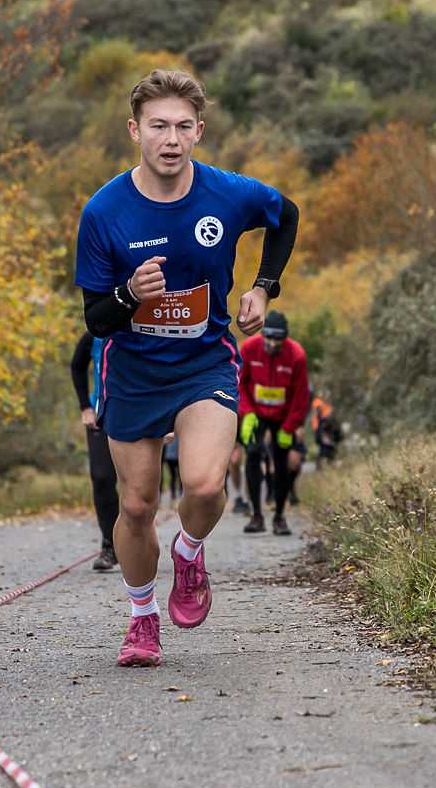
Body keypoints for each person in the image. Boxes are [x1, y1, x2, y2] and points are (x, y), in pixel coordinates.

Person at [74, 67, 299, 668]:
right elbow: (96, 320)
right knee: (138, 506)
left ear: (198, 132)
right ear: (135, 131)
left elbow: (287, 215)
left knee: (202, 484)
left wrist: (264, 287)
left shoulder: (227, 193)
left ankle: (191, 549)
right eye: (157, 127)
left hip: (204, 362)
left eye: (181, 127)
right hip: (134, 371)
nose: (169, 139)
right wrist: (129, 296)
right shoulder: (104, 211)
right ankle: (142, 619)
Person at [238, 309, 310, 534]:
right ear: (263, 335)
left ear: (284, 338)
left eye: (277, 339)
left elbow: (301, 396)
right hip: (256, 414)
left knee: (281, 464)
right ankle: (256, 515)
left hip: (283, 416)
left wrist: (289, 427)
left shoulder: (296, 355)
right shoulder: (249, 349)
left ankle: (279, 517)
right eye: (268, 337)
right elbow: (239, 382)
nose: (272, 343)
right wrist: (247, 412)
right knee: (253, 454)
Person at [69, 332, 120, 570]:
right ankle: (110, 545)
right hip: (100, 416)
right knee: (101, 478)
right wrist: (85, 407)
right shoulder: (95, 334)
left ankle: (137, 542)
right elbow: (77, 366)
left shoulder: (146, 328)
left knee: (138, 485)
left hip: (137, 413)